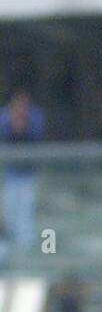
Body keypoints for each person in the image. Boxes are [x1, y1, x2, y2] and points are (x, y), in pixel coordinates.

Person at [0, 88, 46, 253]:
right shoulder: (5, 117)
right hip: (11, 176)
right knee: (10, 214)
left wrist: (24, 123)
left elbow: (36, 136)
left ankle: (25, 250)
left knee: (26, 215)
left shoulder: (35, 117)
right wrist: (13, 123)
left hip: (28, 176)